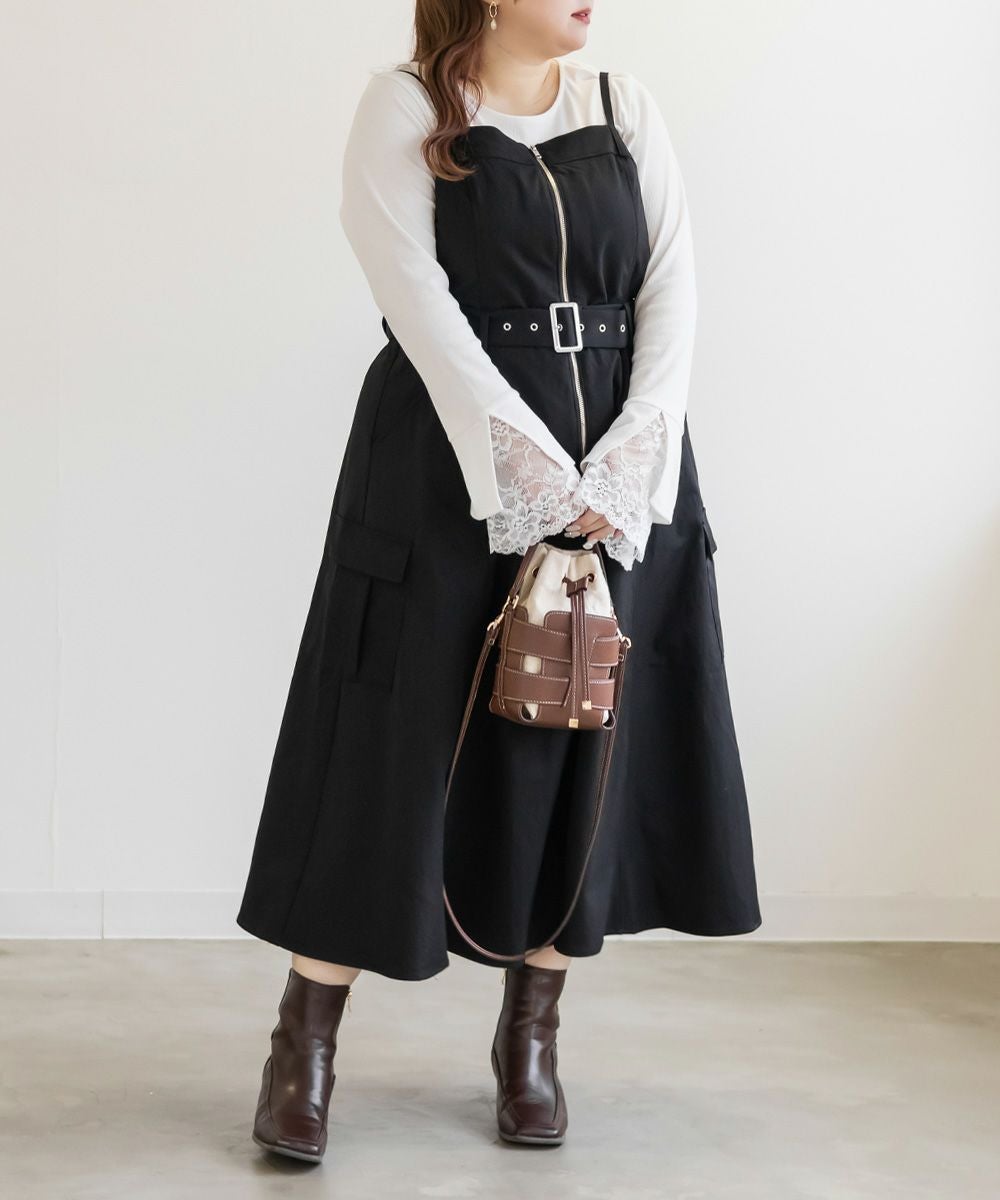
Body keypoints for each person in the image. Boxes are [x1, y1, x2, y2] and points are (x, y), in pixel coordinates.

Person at [237, 0, 761, 1163]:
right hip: (442, 471)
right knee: (388, 747)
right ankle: (302, 1046)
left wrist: (624, 464)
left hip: (624, 466)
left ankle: (531, 1041)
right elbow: (416, 304)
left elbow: (672, 290)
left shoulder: (625, 106)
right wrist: (524, 470)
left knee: (584, 736)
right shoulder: (404, 106)